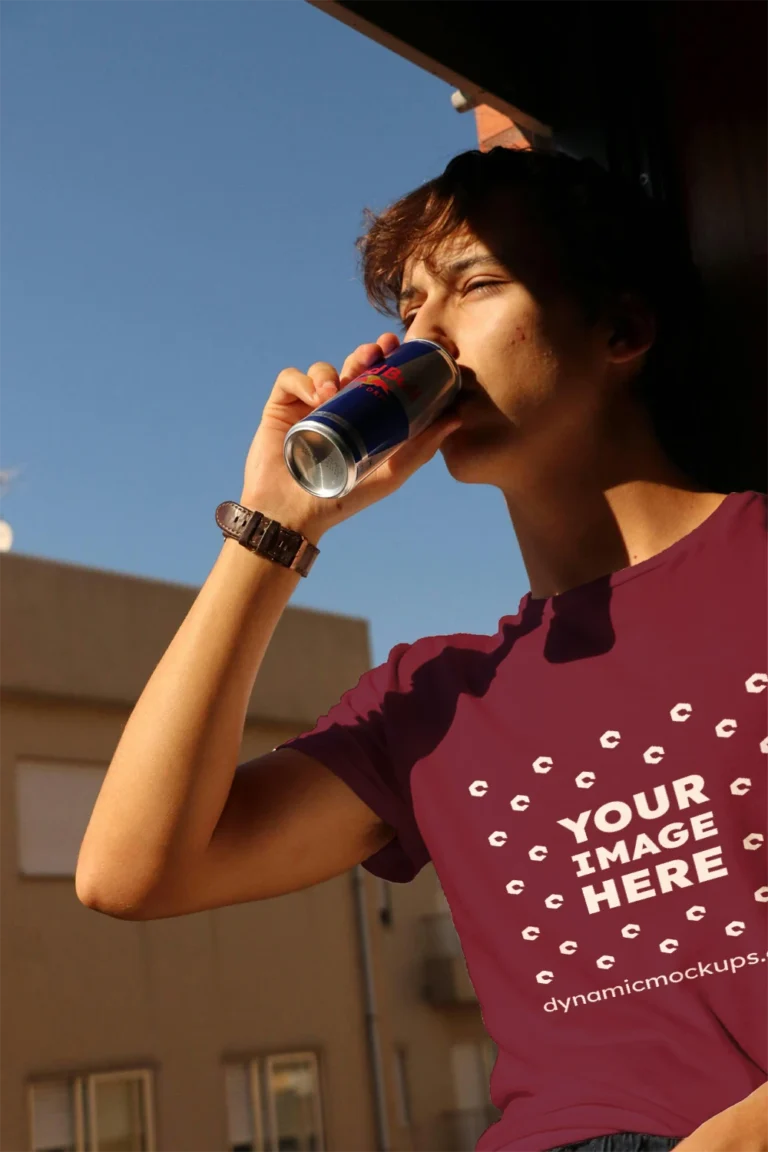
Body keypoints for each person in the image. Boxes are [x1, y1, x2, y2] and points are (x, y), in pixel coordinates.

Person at [76, 148, 768, 1152]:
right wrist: (280, 525)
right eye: (409, 306)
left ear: (621, 329)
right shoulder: (436, 697)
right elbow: (130, 873)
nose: (423, 337)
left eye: (476, 285)